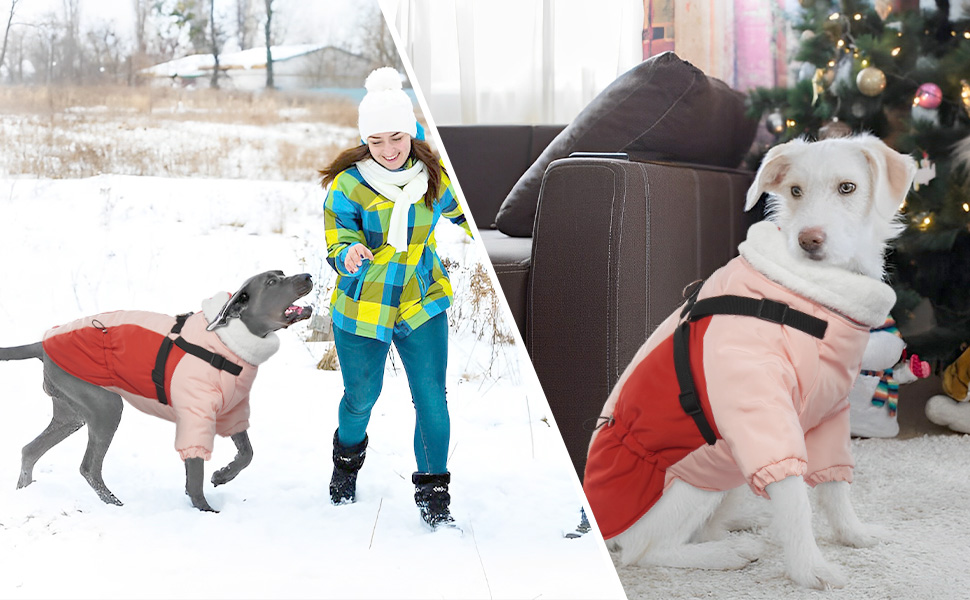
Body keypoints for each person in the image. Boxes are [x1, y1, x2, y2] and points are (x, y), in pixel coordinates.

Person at [319, 67, 472, 530]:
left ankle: (434, 495)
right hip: (365, 301)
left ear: (412, 132)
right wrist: (348, 254)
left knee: (431, 398)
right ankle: (345, 465)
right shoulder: (349, 184)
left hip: (419, 299)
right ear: (366, 140)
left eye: (398, 138)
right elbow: (337, 239)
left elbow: (469, 214)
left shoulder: (433, 178)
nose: (389, 151)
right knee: (362, 396)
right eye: (378, 141)